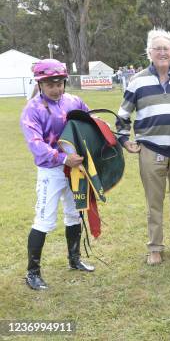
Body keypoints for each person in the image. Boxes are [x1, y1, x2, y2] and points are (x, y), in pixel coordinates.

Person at [116, 29, 170, 266]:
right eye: (158, 49)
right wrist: (124, 140)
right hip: (151, 149)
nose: (162, 52)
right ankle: (155, 247)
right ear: (149, 53)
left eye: (167, 48)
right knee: (154, 202)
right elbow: (123, 115)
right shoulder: (137, 80)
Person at [20, 59, 95, 290]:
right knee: (44, 220)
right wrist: (63, 158)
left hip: (75, 170)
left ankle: (74, 259)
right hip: (50, 171)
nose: (56, 88)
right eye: (51, 84)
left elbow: (88, 122)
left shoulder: (74, 101)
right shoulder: (32, 109)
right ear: (40, 84)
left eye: (60, 83)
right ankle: (32, 273)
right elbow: (36, 144)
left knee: (74, 214)